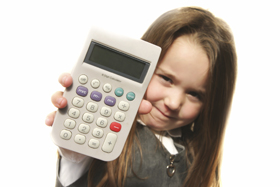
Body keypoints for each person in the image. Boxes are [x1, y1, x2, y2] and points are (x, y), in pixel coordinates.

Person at [45, 6, 237, 187]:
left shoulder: (194, 153)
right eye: (166, 78)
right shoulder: (106, 133)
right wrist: (73, 153)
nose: (174, 102)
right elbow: (73, 168)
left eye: (195, 94)